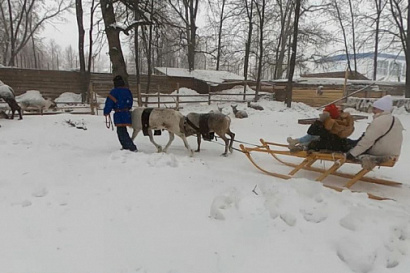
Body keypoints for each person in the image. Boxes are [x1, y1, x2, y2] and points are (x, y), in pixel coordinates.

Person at [346, 95, 403, 160]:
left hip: (380, 152)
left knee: (345, 144)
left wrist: (352, 154)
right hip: (392, 152)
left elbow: (368, 140)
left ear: (381, 109)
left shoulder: (380, 121)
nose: (373, 111)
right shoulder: (395, 119)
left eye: (374, 108)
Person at [287, 103, 354, 152]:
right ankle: (297, 142)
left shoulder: (331, 123)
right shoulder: (343, 122)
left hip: (331, 145)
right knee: (315, 136)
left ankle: (300, 145)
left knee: (314, 137)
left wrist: (319, 121)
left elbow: (312, 132)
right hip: (337, 143)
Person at [104, 75, 137, 152]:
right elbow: (130, 102)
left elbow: (109, 103)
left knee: (121, 131)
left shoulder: (114, 92)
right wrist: (127, 108)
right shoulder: (127, 91)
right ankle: (127, 146)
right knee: (122, 130)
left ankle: (130, 147)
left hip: (119, 114)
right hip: (126, 113)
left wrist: (106, 112)